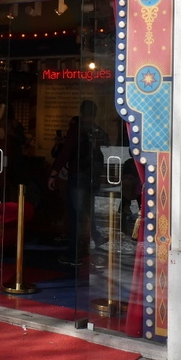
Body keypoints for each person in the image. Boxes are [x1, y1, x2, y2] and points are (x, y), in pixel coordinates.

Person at [47, 99, 109, 266]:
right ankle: (96, 239)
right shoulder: (100, 132)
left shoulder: (77, 130)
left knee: (75, 216)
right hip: (94, 178)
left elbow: (66, 152)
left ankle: (74, 254)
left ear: (81, 113)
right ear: (95, 114)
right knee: (90, 211)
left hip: (78, 177)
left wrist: (53, 173)